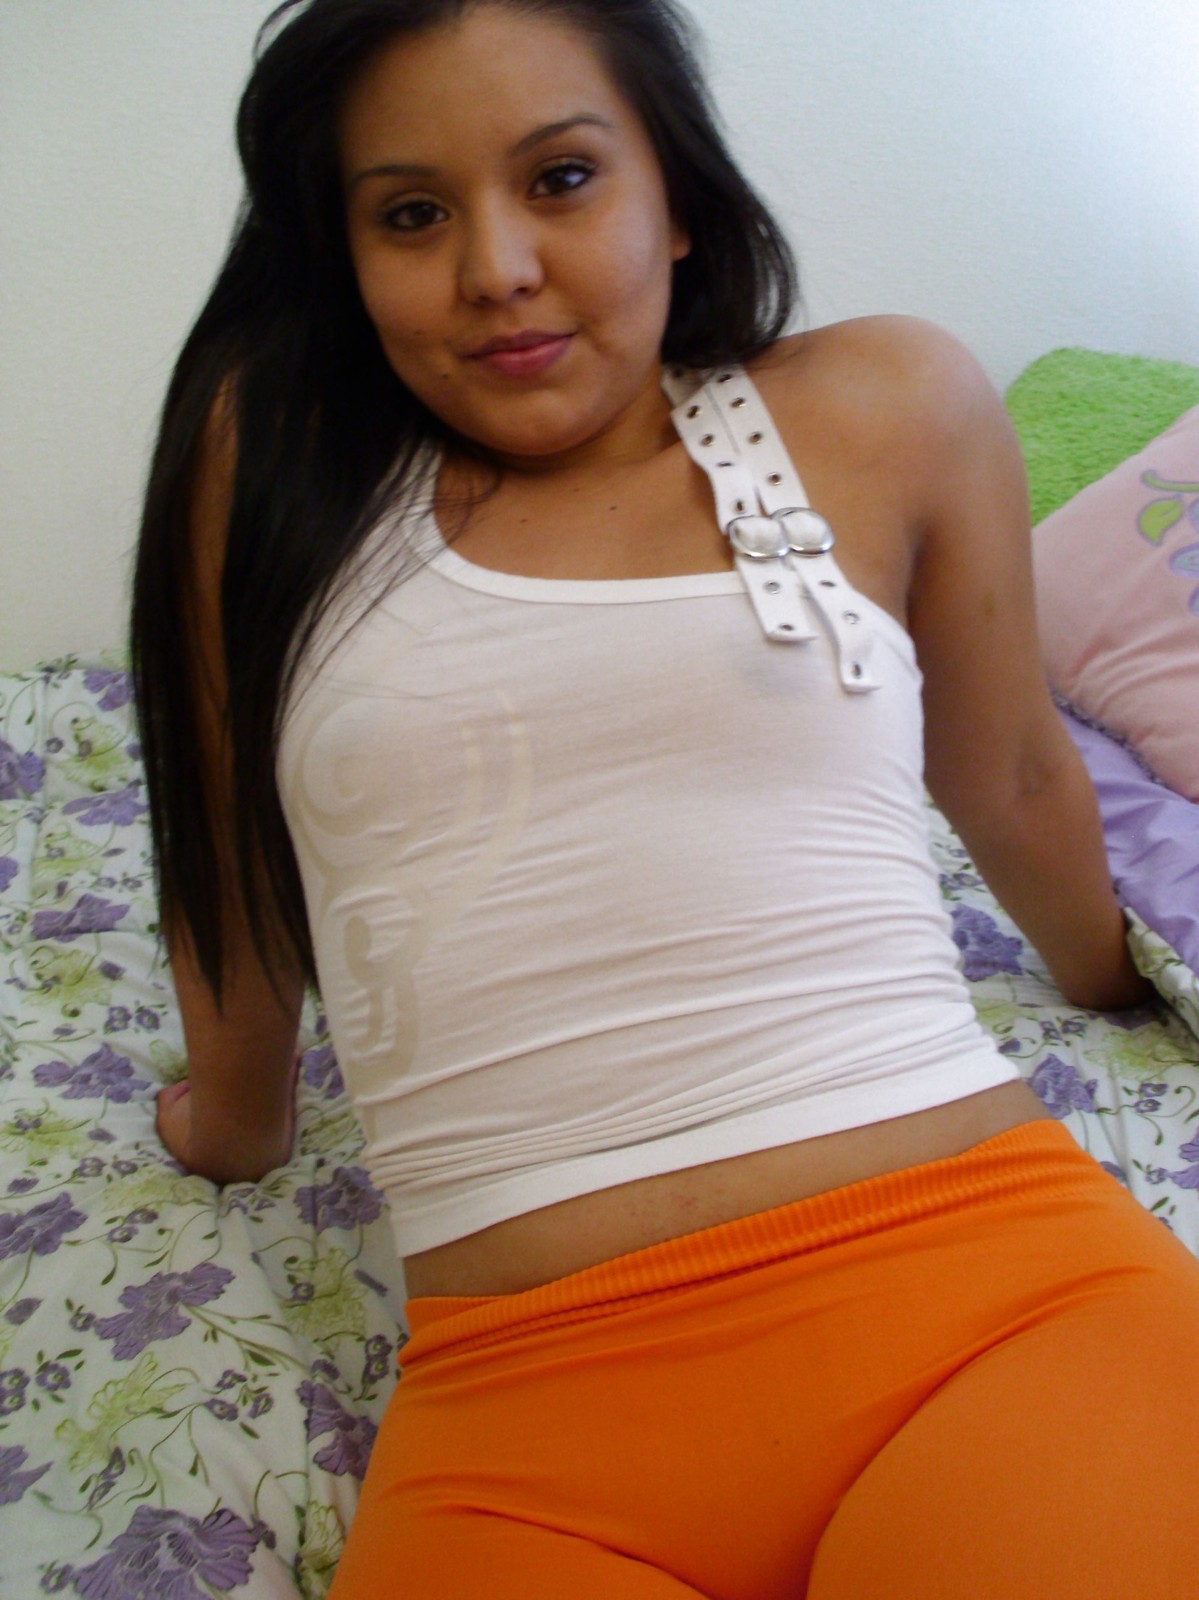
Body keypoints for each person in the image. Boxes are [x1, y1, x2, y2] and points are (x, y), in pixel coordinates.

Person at [132, 1, 1199, 1594]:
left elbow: (1012, 765)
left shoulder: (889, 402)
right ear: (340, 259)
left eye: (561, 179)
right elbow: (226, 840)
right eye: (411, 215)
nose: (497, 266)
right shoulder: (269, 463)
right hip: (522, 1435)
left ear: (678, 196)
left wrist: (1112, 976)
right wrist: (235, 1124)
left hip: (990, 1299)